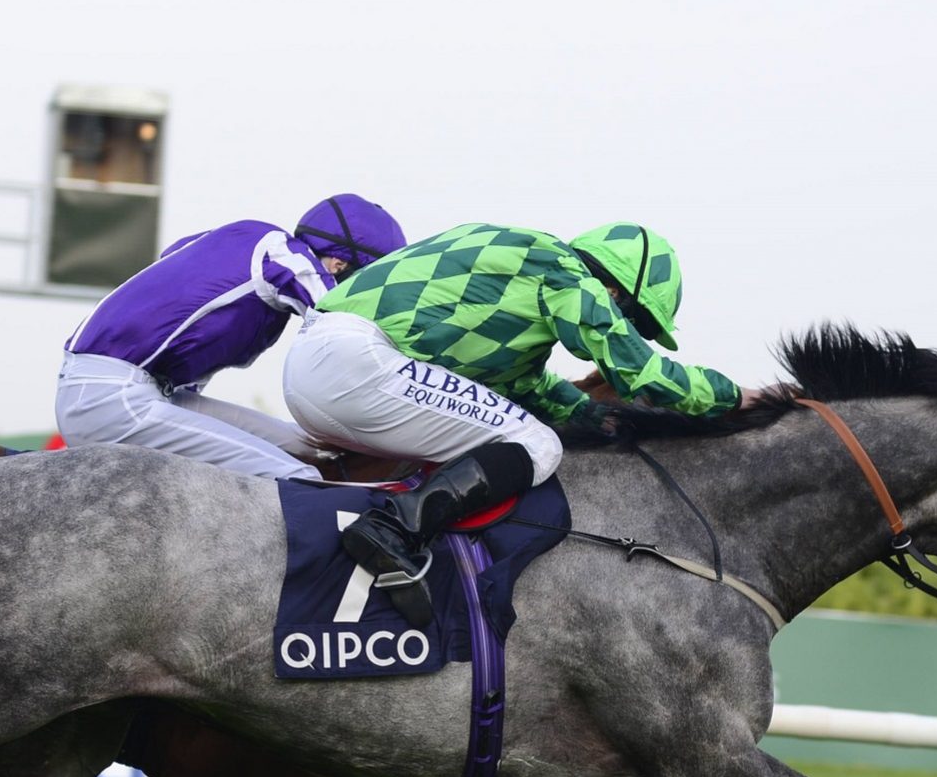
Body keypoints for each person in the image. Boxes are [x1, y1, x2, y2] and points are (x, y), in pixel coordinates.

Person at [283, 221, 748, 623]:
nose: (623, 325)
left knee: (512, 427)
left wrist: (589, 414)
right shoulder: (563, 269)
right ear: (614, 291)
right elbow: (637, 372)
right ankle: (396, 530)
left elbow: (524, 387)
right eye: (632, 318)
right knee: (537, 444)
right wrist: (734, 397)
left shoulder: (518, 268)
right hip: (355, 364)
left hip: (318, 364)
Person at [56, 195, 406, 480]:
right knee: (300, 478)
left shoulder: (224, 243)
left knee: (313, 447)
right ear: (338, 265)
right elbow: (342, 322)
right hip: (113, 398)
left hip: (140, 390)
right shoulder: (277, 249)